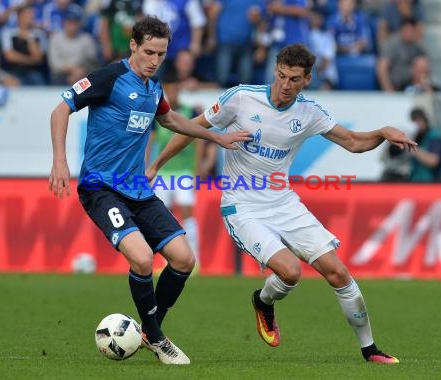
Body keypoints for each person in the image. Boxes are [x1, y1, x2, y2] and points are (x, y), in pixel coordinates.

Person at [148, 43, 417, 364]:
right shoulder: (241, 97)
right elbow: (190, 128)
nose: (286, 85)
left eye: (294, 79)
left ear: (307, 79)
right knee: (290, 272)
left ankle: (370, 350)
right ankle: (264, 302)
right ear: (275, 71)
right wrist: (156, 166)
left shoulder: (309, 112)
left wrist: (383, 132)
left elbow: (354, 143)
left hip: (284, 202)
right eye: (282, 76)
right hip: (242, 204)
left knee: (338, 272)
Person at [48, 16, 250, 365]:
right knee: (142, 258)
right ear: (133, 45)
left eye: (161, 54)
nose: (155, 60)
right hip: (101, 188)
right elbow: (60, 109)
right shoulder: (109, 78)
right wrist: (59, 161)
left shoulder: (153, 88)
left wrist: (215, 137)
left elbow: (171, 120)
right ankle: (156, 337)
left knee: (185, 259)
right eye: (149, 52)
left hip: (138, 189)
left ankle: (148, 327)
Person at [146, 69, 216, 266]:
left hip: (184, 173)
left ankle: (196, 261)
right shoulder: (157, 116)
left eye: (176, 87)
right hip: (163, 173)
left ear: (180, 88)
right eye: (169, 87)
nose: (173, 90)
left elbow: (199, 140)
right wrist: (146, 168)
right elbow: (149, 143)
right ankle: (166, 263)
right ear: (165, 89)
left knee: (187, 213)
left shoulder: (190, 112)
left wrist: (197, 168)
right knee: (163, 218)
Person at [408, 107, 441, 182]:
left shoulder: (435, 135)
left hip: (433, 183)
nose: (417, 125)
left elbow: (433, 160)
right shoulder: (417, 136)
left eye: (418, 121)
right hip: (417, 181)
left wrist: (413, 149)